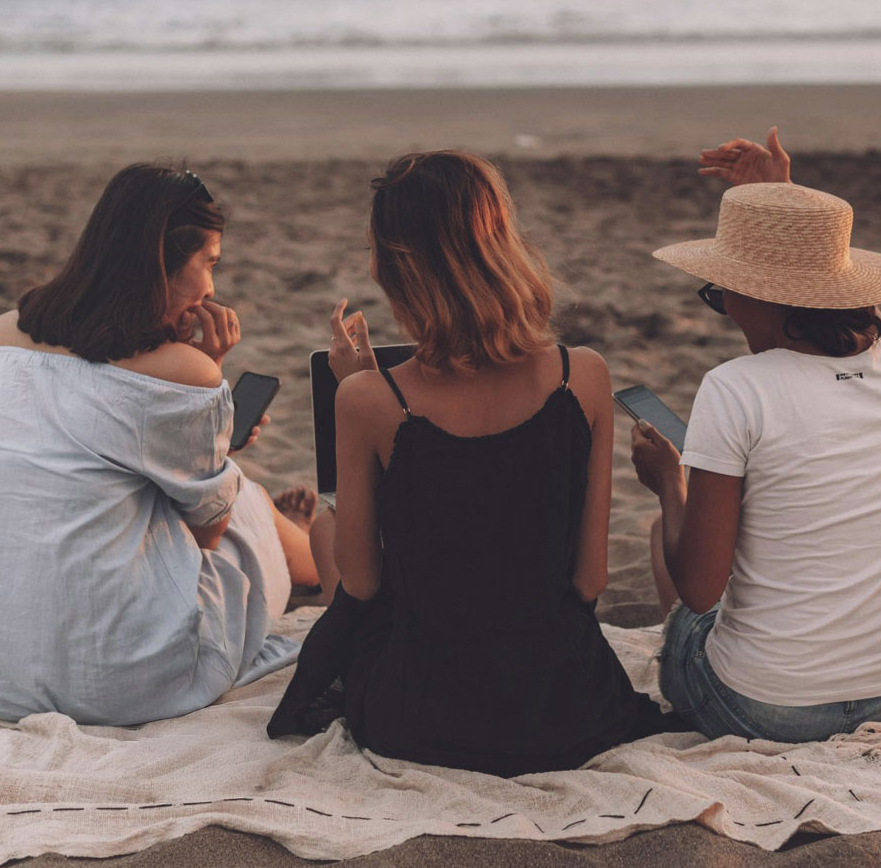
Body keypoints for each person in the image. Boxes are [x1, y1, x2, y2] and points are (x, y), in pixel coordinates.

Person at [270, 150, 667, 776]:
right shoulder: (581, 375)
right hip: (564, 709)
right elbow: (590, 582)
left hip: (423, 717)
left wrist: (365, 393)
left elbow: (363, 582)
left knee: (330, 536)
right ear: (502, 248)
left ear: (392, 269)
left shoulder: (369, 400)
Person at [0, 163, 321, 726]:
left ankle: (298, 547)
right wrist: (209, 374)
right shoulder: (184, 371)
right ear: (163, 264)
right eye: (208, 264)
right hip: (121, 679)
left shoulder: (2, 334)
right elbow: (207, 535)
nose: (210, 287)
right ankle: (319, 565)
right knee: (241, 495)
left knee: (159, 492)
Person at [631, 129, 881, 744]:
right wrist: (784, 200)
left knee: (671, 541)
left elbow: (698, 589)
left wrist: (669, 484)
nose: (726, 311)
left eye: (721, 296)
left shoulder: (737, 387)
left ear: (755, 296)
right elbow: (862, 308)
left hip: (764, 706)